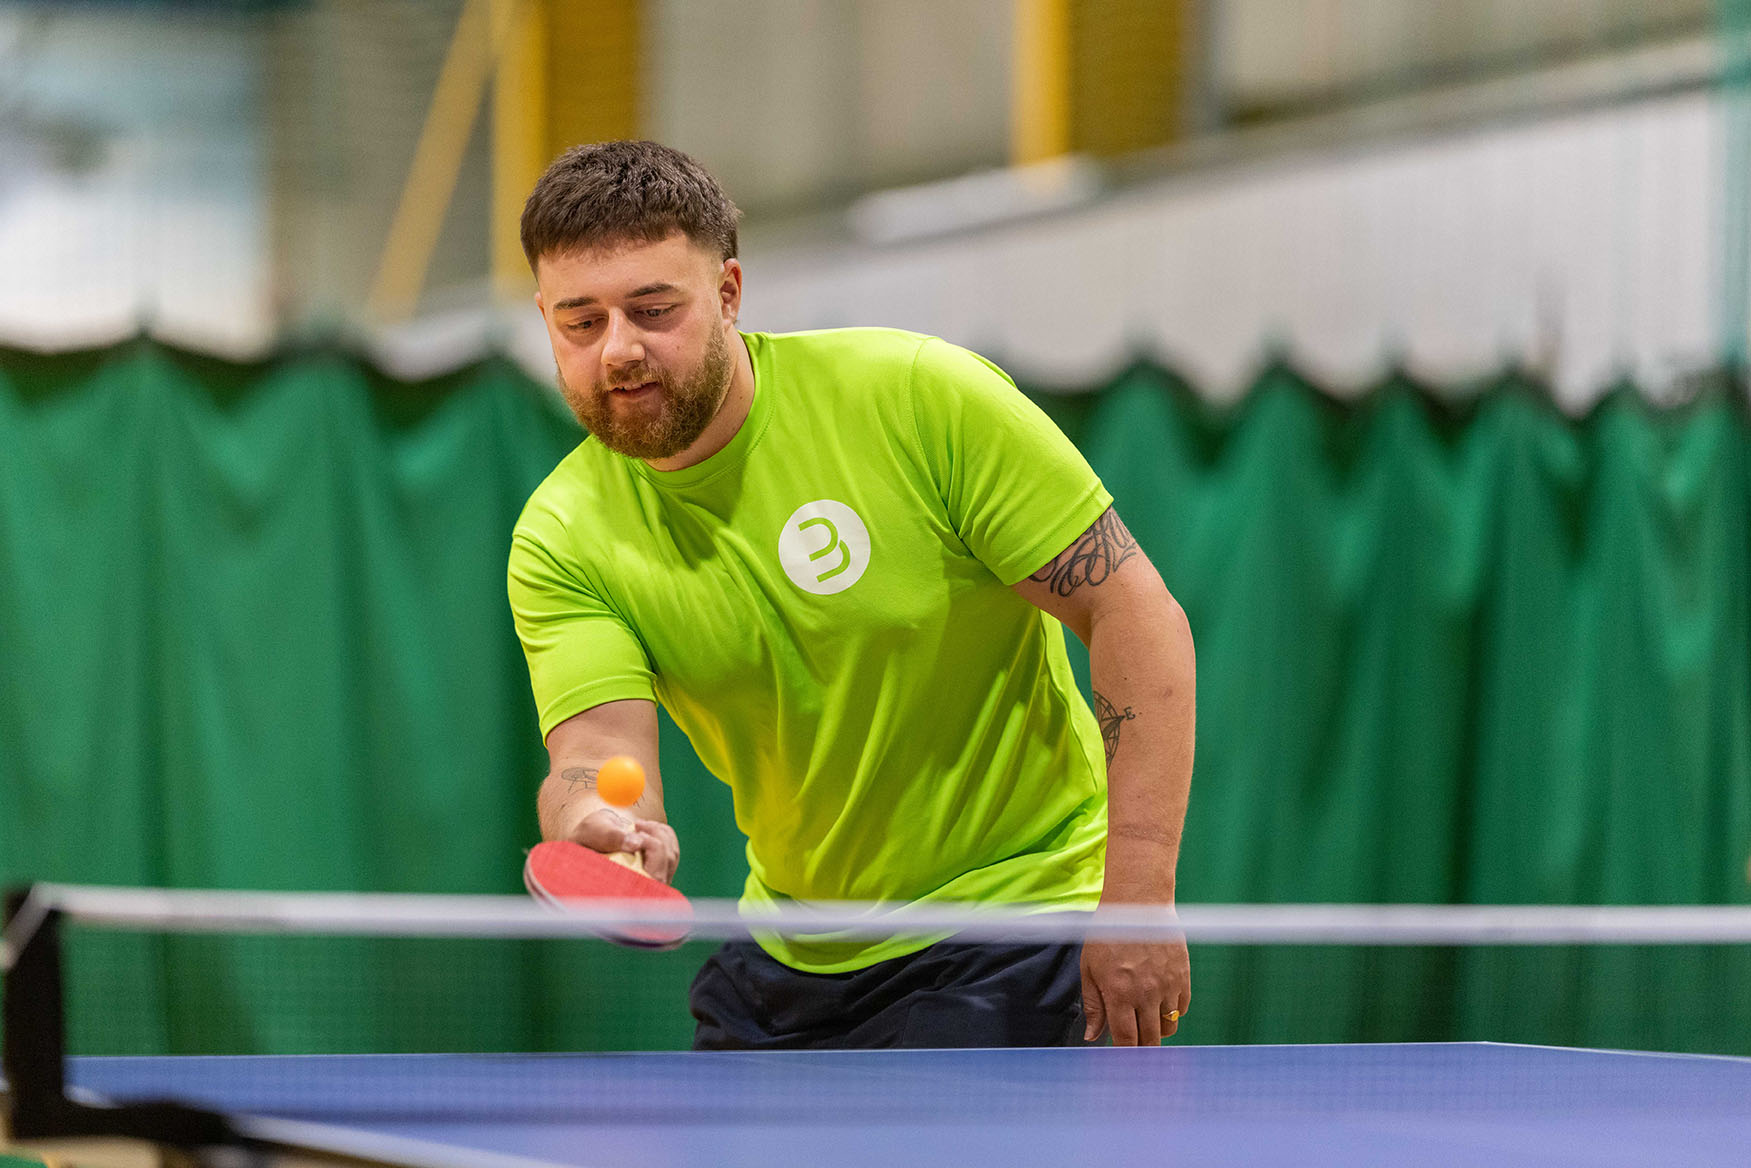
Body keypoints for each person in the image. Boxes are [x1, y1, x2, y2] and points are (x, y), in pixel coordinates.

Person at [507, 140, 1195, 1049]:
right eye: (580, 322)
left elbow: (1133, 611)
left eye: (652, 308)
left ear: (727, 293)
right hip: (793, 947)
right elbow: (592, 759)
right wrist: (596, 820)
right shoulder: (561, 535)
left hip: (1012, 924)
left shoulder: (915, 398)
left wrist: (1136, 902)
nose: (620, 349)